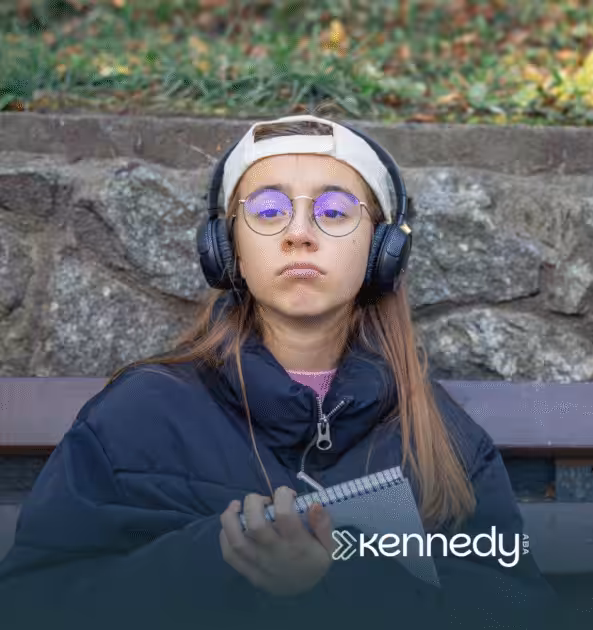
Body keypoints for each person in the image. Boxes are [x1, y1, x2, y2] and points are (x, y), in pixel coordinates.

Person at [0, 108, 562, 629]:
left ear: (382, 250)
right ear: (228, 248)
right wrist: (220, 559)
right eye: (268, 210)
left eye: (335, 211)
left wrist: (339, 580)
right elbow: (33, 602)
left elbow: (517, 612)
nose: (299, 232)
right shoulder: (135, 415)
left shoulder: (444, 438)